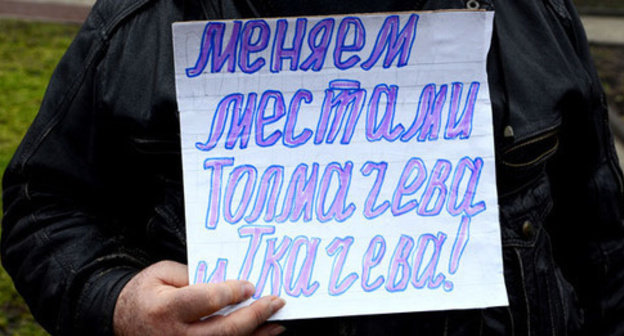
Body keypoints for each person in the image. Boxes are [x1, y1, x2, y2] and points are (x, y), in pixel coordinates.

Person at [2, 0, 623, 335]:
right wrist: (116, 304)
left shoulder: (532, 14)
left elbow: (604, 244)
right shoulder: (146, 20)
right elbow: (41, 204)